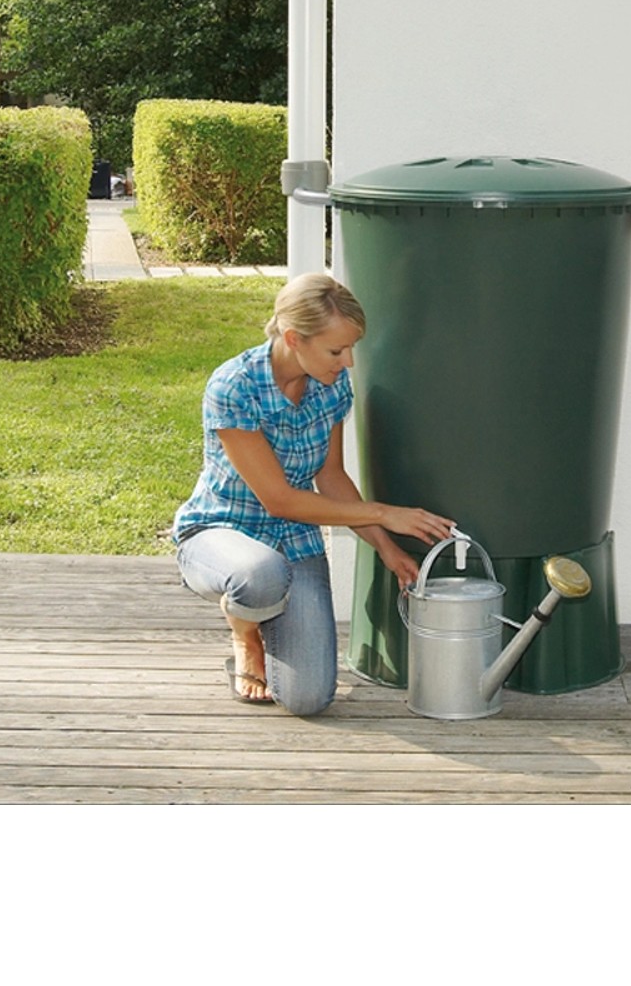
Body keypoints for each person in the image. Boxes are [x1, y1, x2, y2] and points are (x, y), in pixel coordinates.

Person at [173, 272, 455, 714]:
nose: (349, 363)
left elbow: (333, 478)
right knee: (260, 575)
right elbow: (279, 500)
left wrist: (385, 549)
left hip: (295, 540)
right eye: (336, 350)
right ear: (293, 338)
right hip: (222, 532)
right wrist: (384, 514)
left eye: (351, 348)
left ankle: (265, 612)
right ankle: (245, 632)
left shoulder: (330, 384)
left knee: (308, 698)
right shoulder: (235, 387)